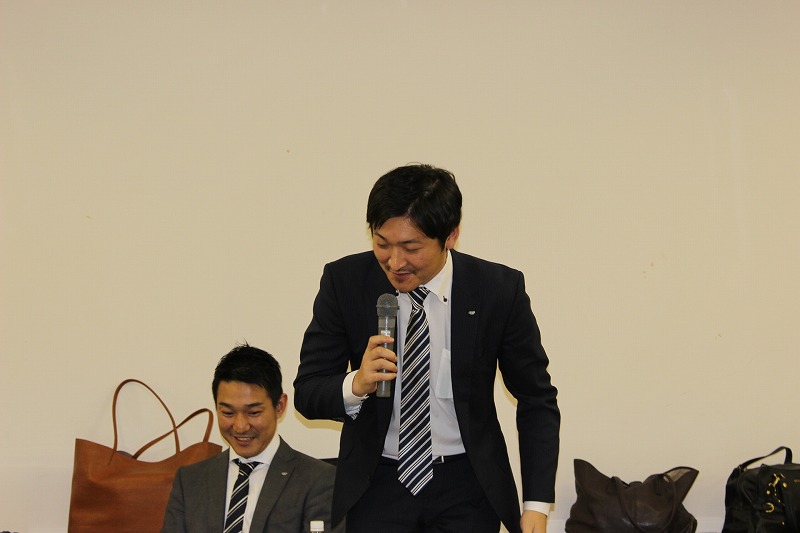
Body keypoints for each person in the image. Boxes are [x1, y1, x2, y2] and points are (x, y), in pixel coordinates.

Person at [293, 164, 560, 533]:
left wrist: (536, 505)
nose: (395, 262)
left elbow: (536, 398)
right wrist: (356, 383)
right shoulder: (345, 282)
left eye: (411, 247)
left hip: (466, 485)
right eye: (382, 244)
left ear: (450, 235)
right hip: (377, 484)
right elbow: (307, 393)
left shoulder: (497, 289)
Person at [162, 344, 341, 533]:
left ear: (279, 406)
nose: (240, 426)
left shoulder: (318, 480)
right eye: (228, 413)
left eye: (253, 412)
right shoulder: (190, 481)